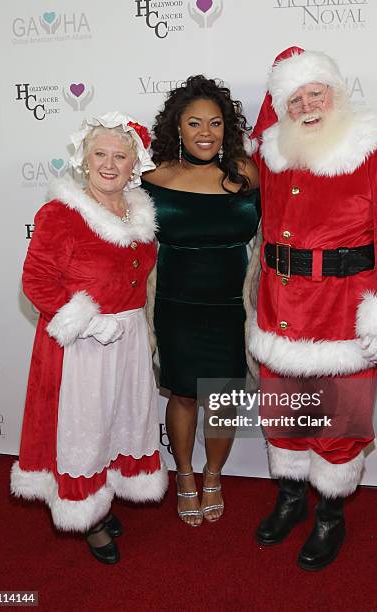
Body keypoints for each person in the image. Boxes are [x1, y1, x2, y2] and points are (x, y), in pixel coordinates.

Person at [245, 47, 377, 569]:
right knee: (282, 415)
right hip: (280, 310)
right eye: (294, 97)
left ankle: (330, 514)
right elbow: (261, 128)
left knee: (338, 421)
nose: (306, 105)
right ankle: (290, 499)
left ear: (337, 93)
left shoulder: (375, 149)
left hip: (343, 313)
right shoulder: (275, 152)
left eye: (315, 93)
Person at [10, 112, 168, 564]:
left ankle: (104, 491)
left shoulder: (139, 214)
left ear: (135, 164)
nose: (109, 164)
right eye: (100, 153)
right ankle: (87, 512)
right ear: (84, 156)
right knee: (84, 425)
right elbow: (36, 281)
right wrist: (89, 321)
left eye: (121, 156)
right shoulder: (61, 213)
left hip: (129, 340)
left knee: (119, 417)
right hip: (82, 345)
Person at [142, 75, 259, 526]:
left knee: (223, 398)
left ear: (226, 128)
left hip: (232, 308)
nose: (206, 132)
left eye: (215, 123)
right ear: (179, 129)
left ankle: (214, 474)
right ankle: (185, 474)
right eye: (194, 123)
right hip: (175, 308)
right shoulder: (153, 178)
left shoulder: (247, 173)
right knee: (184, 396)